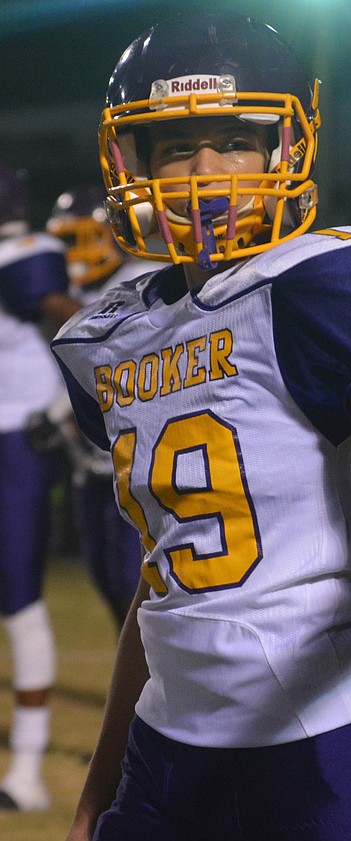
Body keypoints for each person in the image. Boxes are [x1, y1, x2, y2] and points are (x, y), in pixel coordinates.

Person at [52, 12, 351, 841]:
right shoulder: (113, 336)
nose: (205, 172)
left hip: (321, 751)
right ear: (131, 163)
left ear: (284, 150)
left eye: (234, 142)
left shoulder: (321, 288)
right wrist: (97, 790)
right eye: (177, 147)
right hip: (163, 757)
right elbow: (165, 581)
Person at [0, 159, 81, 811]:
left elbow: (73, 323)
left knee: (19, 602)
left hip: (14, 449)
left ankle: (25, 769)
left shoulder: (23, 255)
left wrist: (64, 409)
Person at [39, 188, 152, 629]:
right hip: (91, 462)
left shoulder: (142, 278)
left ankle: (155, 685)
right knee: (104, 575)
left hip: (134, 460)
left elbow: (105, 362)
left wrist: (52, 413)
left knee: (132, 580)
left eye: (84, 238)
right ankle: (136, 682)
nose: (74, 252)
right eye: (67, 241)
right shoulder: (78, 289)